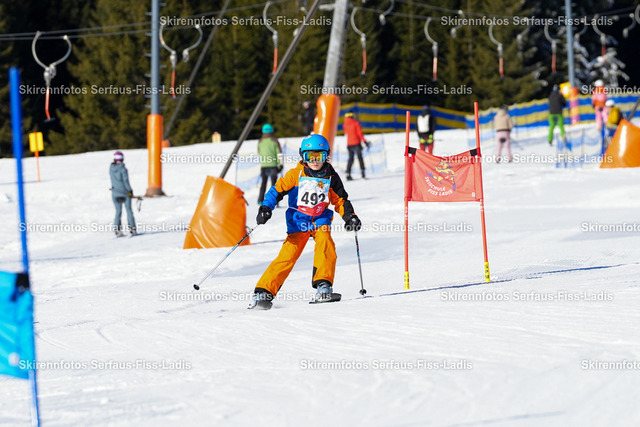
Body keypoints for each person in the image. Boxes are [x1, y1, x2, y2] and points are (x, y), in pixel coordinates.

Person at [249, 134, 362, 310]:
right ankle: (263, 292)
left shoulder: (331, 176)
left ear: (327, 156)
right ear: (303, 156)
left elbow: (340, 200)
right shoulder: (296, 174)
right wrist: (266, 207)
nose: (315, 161)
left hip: (320, 220)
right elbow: (276, 190)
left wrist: (349, 216)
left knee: (325, 243)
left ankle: (323, 286)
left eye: (320, 156)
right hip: (298, 222)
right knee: (288, 256)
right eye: (310, 157)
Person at [109, 151, 137, 236]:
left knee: (118, 211)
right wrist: (130, 191)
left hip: (115, 193)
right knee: (129, 210)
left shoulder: (111, 168)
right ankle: (132, 229)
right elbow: (126, 181)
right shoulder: (123, 169)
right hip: (125, 193)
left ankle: (117, 229)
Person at [257, 123, 283, 205]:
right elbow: (279, 153)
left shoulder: (260, 141)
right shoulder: (274, 141)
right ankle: (275, 201)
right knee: (274, 185)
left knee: (263, 184)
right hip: (273, 166)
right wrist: (281, 164)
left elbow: (259, 152)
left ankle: (260, 200)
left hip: (264, 166)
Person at [343, 111, 369, 180]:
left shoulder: (345, 124)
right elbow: (360, 133)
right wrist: (364, 141)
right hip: (356, 143)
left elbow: (346, 132)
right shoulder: (356, 123)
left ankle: (348, 174)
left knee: (350, 159)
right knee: (360, 158)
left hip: (349, 144)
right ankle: (363, 173)